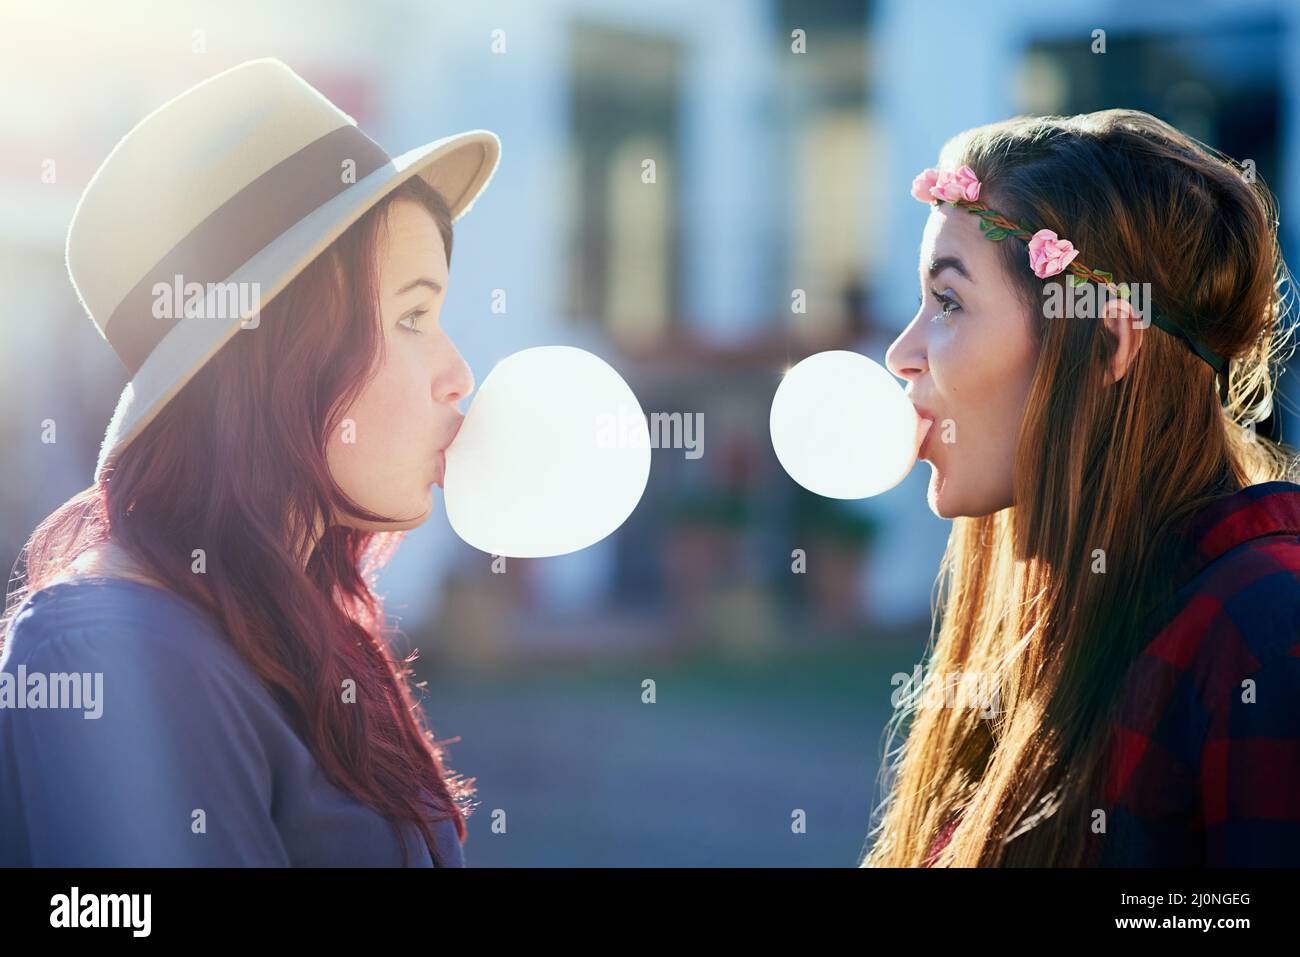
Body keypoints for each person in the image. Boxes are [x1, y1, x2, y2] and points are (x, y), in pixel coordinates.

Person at [0, 58, 500, 866]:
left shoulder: (289, 623)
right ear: (279, 351)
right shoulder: (106, 647)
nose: (459, 372)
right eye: (413, 316)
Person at [865, 109, 1300, 866]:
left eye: (950, 302)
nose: (903, 353)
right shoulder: (1052, 619)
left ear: (1106, 339)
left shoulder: (1266, 627)